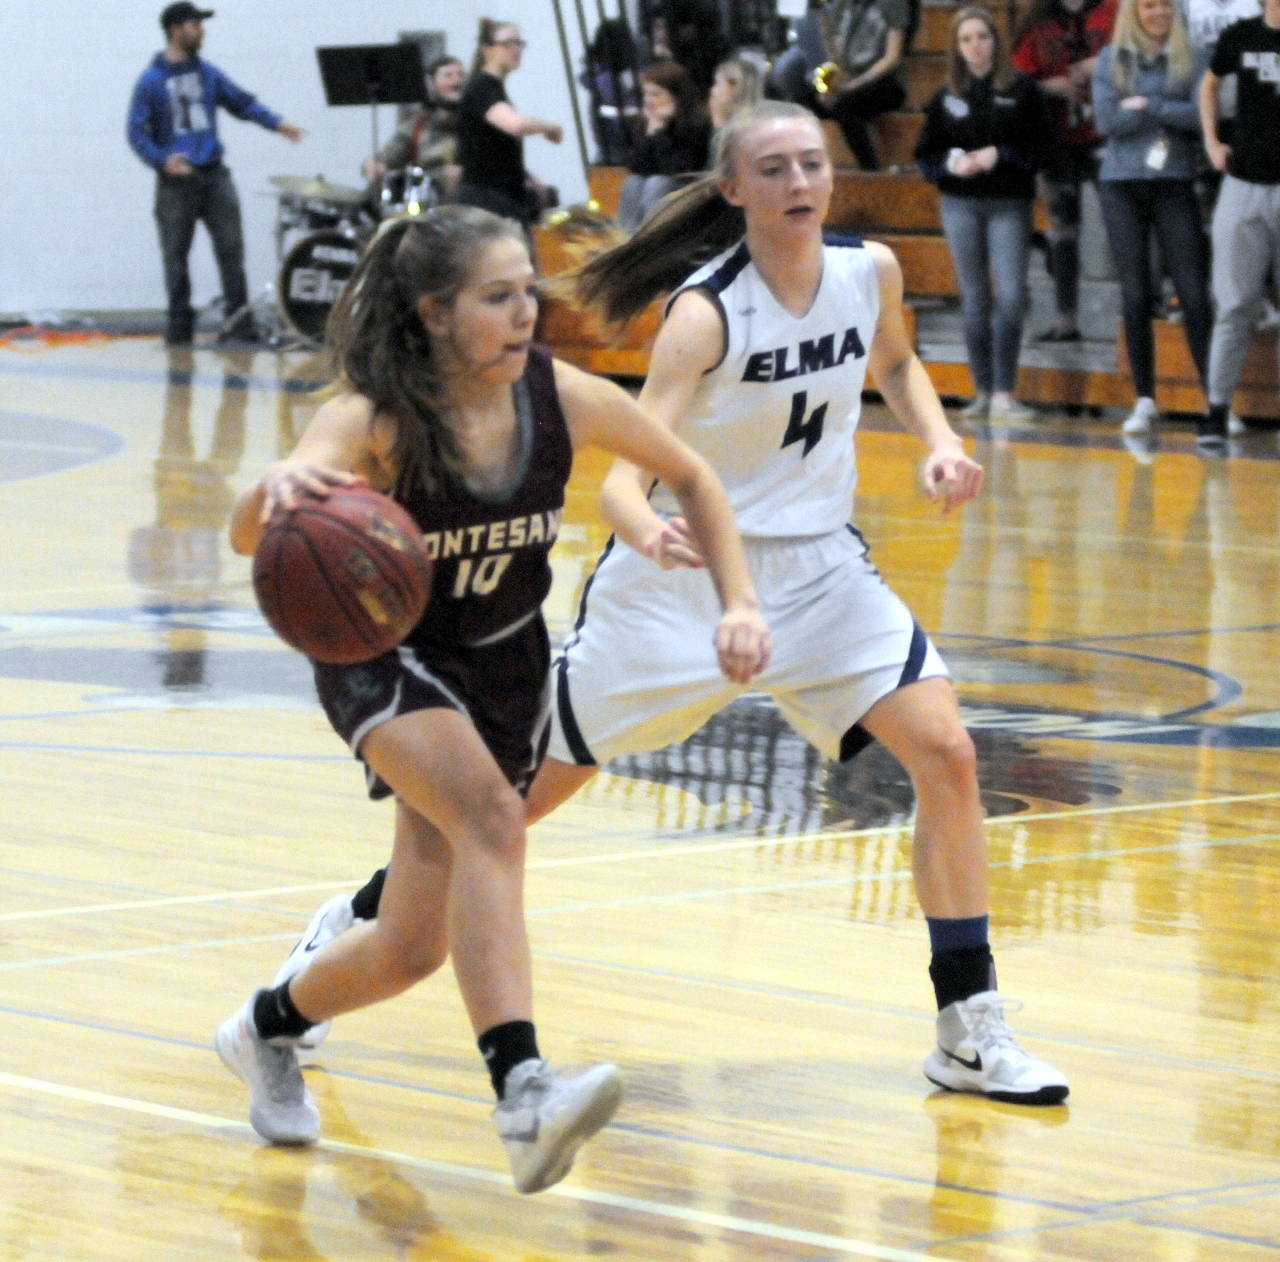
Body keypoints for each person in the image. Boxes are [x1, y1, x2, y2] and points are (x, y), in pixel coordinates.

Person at [276, 102, 1071, 1109]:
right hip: (674, 587)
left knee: (947, 754)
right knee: (501, 812)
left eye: (813, 163)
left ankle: (966, 1026)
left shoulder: (867, 271)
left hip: (820, 567)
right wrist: (648, 531)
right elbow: (627, 475)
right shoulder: (706, 311)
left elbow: (898, 364)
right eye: (774, 166)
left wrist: (936, 440)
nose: (800, 181)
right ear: (732, 188)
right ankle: (357, 924)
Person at [213, 205, 772, 1193]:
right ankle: (521, 1093)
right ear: (432, 313)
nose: (527, 312)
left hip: (504, 664)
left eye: (529, 290)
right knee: (492, 817)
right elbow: (249, 535)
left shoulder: (557, 396)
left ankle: (265, 1026)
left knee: (407, 949)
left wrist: (735, 600)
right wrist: (280, 484)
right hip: (384, 656)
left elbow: (689, 472)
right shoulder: (372, 419)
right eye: (498, 296)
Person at [126, 3, 304, 346]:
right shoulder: (150, 81)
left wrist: (277, 124)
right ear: (175, 30)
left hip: (214, 176)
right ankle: (179, 327)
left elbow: (242, 103)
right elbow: (136, 132)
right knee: (175, 255)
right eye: (195, 24)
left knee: (231, 249)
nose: (202, 30)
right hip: (176, 182)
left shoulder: (208, 73)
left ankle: (238, 321)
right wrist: (162, 160)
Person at [915, 7, 1049, 421]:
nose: (976, 45)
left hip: (1009, 202)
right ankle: (982, 390)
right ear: (957, 47)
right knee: (973, 297)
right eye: (967, 39)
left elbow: (1041, 148)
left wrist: (1001, 155)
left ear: (996, 41)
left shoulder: (1023, 89)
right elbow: (925, 155)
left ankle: (1005, 392)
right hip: (960, 203)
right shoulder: (945, 95)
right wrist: (951, 162)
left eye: (983, 36)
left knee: (1010, 295)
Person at [1093, 0, 1213, 435]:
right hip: (1121, 185)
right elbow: (1107, 119)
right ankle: (1145, 398)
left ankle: (1215, 400)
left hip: (1173, 180)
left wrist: (1147, 104)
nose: (1158, 13)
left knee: (1194, 294)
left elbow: (1200, 115)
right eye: (1148, 5)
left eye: (1164, 5)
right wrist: (1165, 110)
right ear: (1134, 11)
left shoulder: (1192, 57)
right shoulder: (1112, 58)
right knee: (1136, 294)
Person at [1196, 0, 1280, 449]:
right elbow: (1208, 84)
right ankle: (1216, 409)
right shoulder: (1240, 36)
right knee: (1233, 303)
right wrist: (1212, 141)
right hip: (1244, 182)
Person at [1013, 0, 1119, 341]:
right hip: (1056, 140)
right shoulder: (1037, 22)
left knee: (1122, 222)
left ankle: (1144, 310)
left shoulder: (1113, 10)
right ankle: (1066, 319)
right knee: (1063, 231)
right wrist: (1048, 87)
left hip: (1108, 133)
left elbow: (1142, 53)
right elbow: (1015, 82)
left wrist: (1100, 63)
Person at [455, 19, 563, 231]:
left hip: (501, 198)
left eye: (518, 43)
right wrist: (551, 127)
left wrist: (528, 177)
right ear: (487, 49)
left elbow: (493, 148)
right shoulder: (482, 88)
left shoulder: (492, 88)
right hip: (486, 201)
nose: (516, 49)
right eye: (508, 43)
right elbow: (514, 124)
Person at [812, 0, 912, 171]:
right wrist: (830, 85)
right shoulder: (843, 5)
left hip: (885, 81)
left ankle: (870, 169)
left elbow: (892, 58)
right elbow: (837, 52)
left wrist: (854, 84)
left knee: (844, 107)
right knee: (805, 102)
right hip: (851, 76)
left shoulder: (894, 3)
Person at [618, 61, 712, 231]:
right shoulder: (647, 123)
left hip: (688, 186)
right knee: (632, 182)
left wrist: (661, 133)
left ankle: (653, 239)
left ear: (675, 96)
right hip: (656, 189)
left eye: (655, 95)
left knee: (657, 182)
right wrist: (650, 133)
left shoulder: (696, 123)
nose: (648, 100)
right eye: (646, 94)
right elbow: (636, 167)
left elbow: (679, 169)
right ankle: (628, 239)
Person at [362, 56, 466, 203]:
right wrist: (373, 166)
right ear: (432, 84)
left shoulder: (478, 123)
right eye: (448, 76)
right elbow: (387, 158)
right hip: (427, 204)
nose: (456, 82)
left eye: (460, 75)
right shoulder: (416, 126)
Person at [581, 18, 643, 165]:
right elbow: (620, 106)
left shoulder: (598, 72)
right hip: (617, 149)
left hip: (608, 147)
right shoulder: (605, 77)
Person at [708, 55, 766, 135]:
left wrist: (718, 120)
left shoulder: (742, 130)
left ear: (736, 87)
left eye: (717, 83)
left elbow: (721, 146)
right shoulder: (762, 120)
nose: (713, 91)